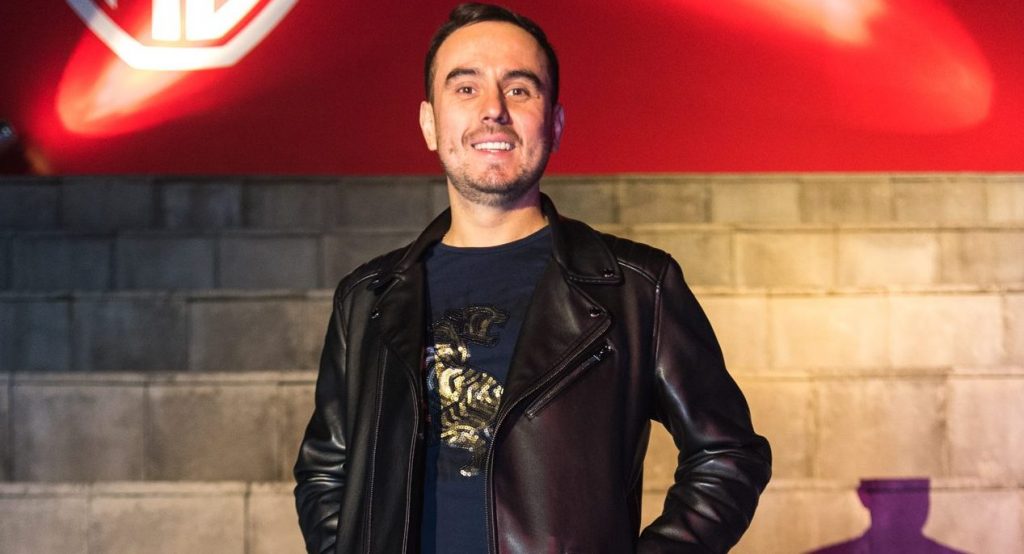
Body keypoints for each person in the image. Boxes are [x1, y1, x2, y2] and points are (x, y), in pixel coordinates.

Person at [293, 3, 771, 553]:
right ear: (429, 123)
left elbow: (728, 455)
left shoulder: (637, 288)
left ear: (555, 124)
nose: (493, 110)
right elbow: (325, 471)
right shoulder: (367, 298)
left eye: (519, 90)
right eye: (466, 88)